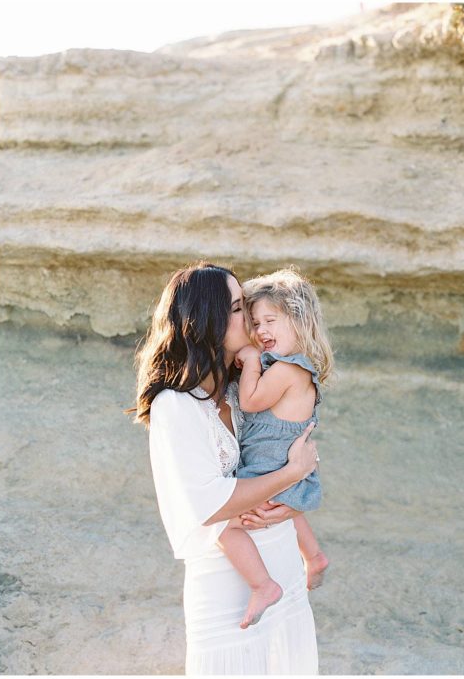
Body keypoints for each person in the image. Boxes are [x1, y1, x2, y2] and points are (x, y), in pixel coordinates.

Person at [131, 262, 320, 674]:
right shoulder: (174, 405)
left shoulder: (238, 389)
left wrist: (291, 500)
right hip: (224, 585)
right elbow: (209, 504)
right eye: (237, 308)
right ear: (208, 320)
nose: (249, 316)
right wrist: (290, 475)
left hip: (283, 564)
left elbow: (283, 444)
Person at [219, 268, 334, 629]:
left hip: (269, 468)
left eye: (271, 320)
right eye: (255, 322)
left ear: (300, 322)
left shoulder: (286, 370)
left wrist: (251, 360)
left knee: (223, 527)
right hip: (279, 465)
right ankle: (313, 556)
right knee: (289, 507)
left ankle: (263, 585)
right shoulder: (291, 368)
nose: (261, 330)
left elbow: (251, 401)